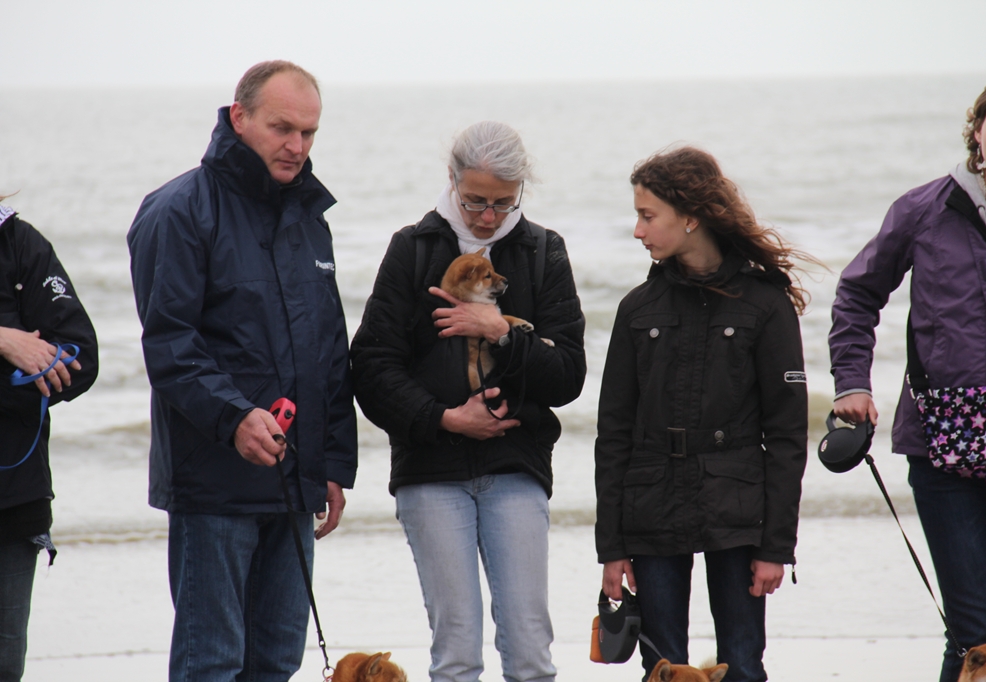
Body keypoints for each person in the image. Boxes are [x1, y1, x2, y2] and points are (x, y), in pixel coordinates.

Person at [126, 61, 357, 681]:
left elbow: (329, 350)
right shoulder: (176, 210)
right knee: (213, 662)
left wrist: (331, 464)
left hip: (295, 481)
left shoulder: (311, 218)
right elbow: (170, 345)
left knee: (277, 662)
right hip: (213, 485)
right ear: (239, 117)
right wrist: (234, 419)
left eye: (309, 132)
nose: (297, 146)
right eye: (282, 128)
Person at [350, 121, 586, 682]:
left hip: (515, 466)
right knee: (455, 653)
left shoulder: (543, 251)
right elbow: (372, 368)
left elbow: (569, 377)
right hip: (430, 470)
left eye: (504, 203)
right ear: (451, 181)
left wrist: (501, 330)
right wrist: (445, 418)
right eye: (476, 200)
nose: (488, 216)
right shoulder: (411, 250)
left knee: (530, 650)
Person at [830, 65, 986, 682]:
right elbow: (858, 296)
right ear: (978, 128)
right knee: (969, 633)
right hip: (941, 449)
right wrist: (853, 385)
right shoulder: (923, 209)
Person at [595, 147, 808, 682]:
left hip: (738, 513)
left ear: (690, 217)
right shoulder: (636, 309)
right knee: (663, 670)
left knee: (742, 666)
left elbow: (786, 435)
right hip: (650, 509)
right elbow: (614, 433)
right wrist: (612, 548)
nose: (638, 231)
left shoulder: (765, 304)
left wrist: (776, 546)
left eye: (648, 216)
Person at [0, 201, 98, 681]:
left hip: (14, 500)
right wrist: (6, 340)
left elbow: (81, 362)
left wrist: (31, 362)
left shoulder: (18, 241)